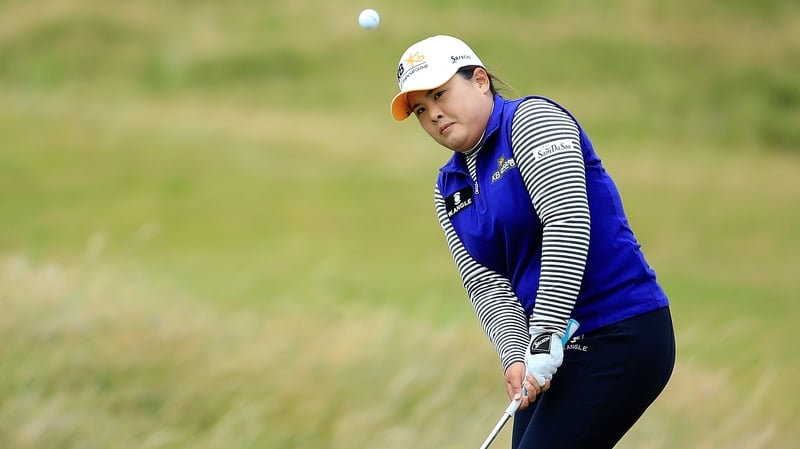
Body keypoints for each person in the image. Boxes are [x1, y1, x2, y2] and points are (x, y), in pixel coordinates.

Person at [389, 35, 676, 449]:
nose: (434, 114)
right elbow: (486, 283)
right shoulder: (448, 187)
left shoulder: (531, 121)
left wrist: (542, 335)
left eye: (439, 94)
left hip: (620, 329)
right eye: (420, 109)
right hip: (554, 350)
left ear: (480, 81)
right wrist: (516, 354)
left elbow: (567, 224)